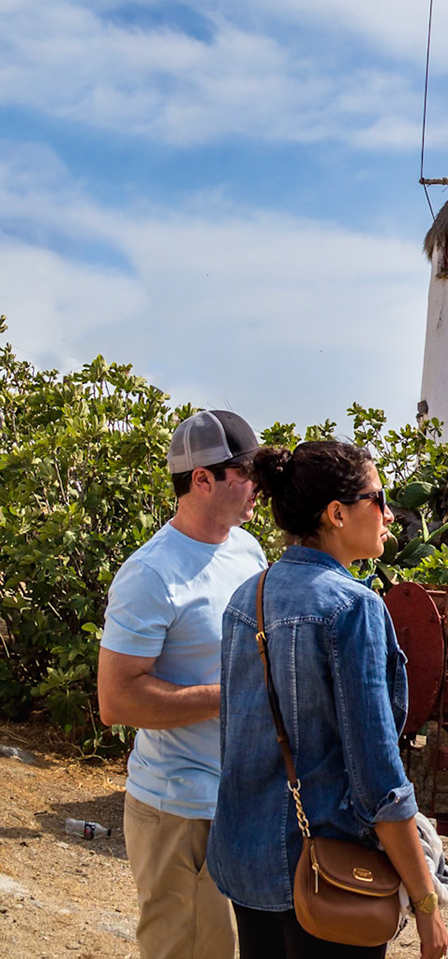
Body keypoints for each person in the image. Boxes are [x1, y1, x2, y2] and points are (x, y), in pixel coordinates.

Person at [206, 441, 448, 959]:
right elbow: (379, 780)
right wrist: (426, 901)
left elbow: (236, 742)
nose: (388, 514)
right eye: (377, 498)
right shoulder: (353, 608)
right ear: (337, 514)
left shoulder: (245, 599)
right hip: (331, 872)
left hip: (245, 861)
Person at [100, 409, 267, 959]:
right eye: (245, 474)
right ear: (202, 479)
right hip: (181, 808)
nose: (257, 488)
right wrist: (232, 698)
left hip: (239, 802)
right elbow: (116, 699)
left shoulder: (246, 550)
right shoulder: (151, 573)